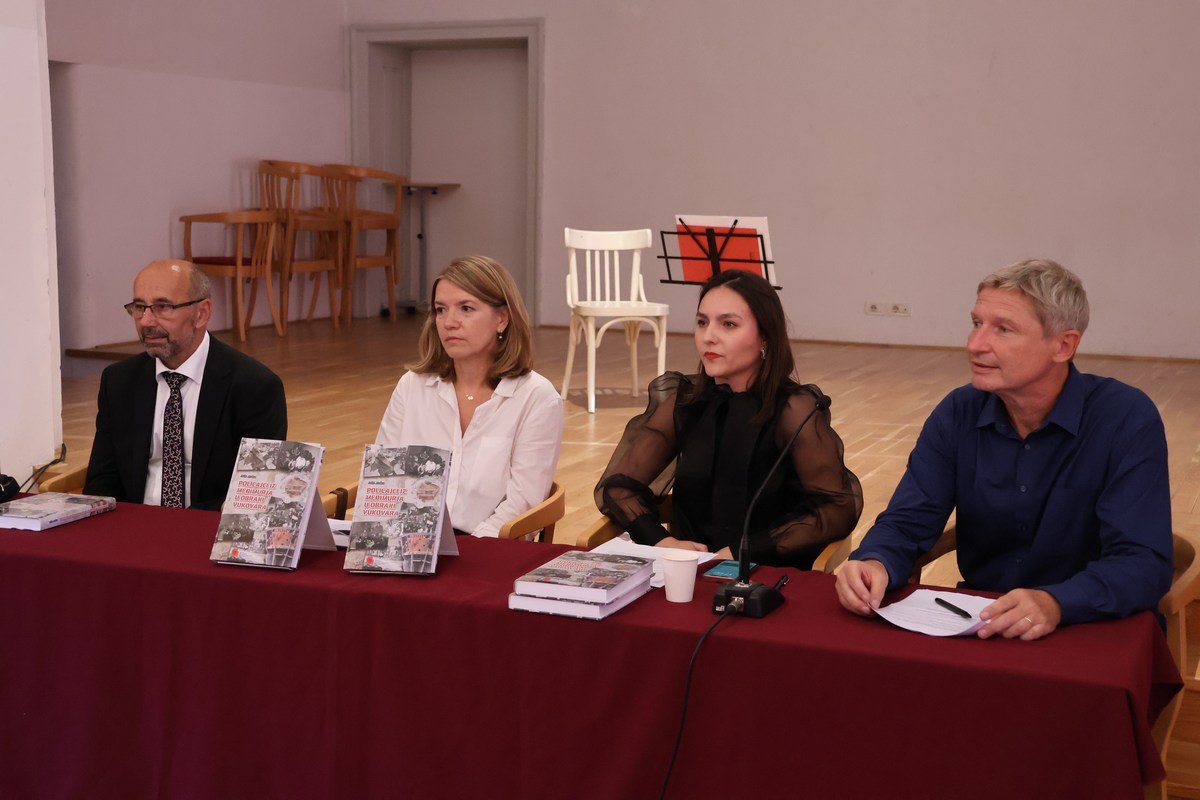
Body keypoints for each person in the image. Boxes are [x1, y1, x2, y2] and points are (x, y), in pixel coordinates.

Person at [836, 259, 1172, 640]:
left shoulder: (1125, 418)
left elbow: (1144, 562)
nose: (975, 345)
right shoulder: (959, 412)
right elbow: (907, 521)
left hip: (1092, 627)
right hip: (985, 625)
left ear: (1063, 345)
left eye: (1003, 329)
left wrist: (1057, 602)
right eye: (976, 323)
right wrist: (875, 561)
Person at [595, 270, 863, 569]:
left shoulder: (794, 411)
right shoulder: (684, 403)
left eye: (729, 324)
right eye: (702, 322)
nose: (708, 337)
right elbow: (619, 487)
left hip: (767, 573)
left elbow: (837, 508)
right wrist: (663, 542)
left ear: (765, 336)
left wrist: (744, 551)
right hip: (689, 573)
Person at [375, 255, 563, 538]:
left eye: (466, 308)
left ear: (502, 319)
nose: (449, 322)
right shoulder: (411, 386)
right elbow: (383, 479)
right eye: (440, 309)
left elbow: (522, 504)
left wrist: (471, 549)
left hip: (489, 546)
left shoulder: (537, 397)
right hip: (410, 542)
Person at [84, 260, 287, 511]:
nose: (146, 321)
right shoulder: (119, 381)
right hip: (133, 524)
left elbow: (254, 494)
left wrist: (180, 526)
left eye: (162, 307)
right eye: (139, 307)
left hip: (208, 526)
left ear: (201, 313)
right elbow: (102, 480)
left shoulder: (254, 387)